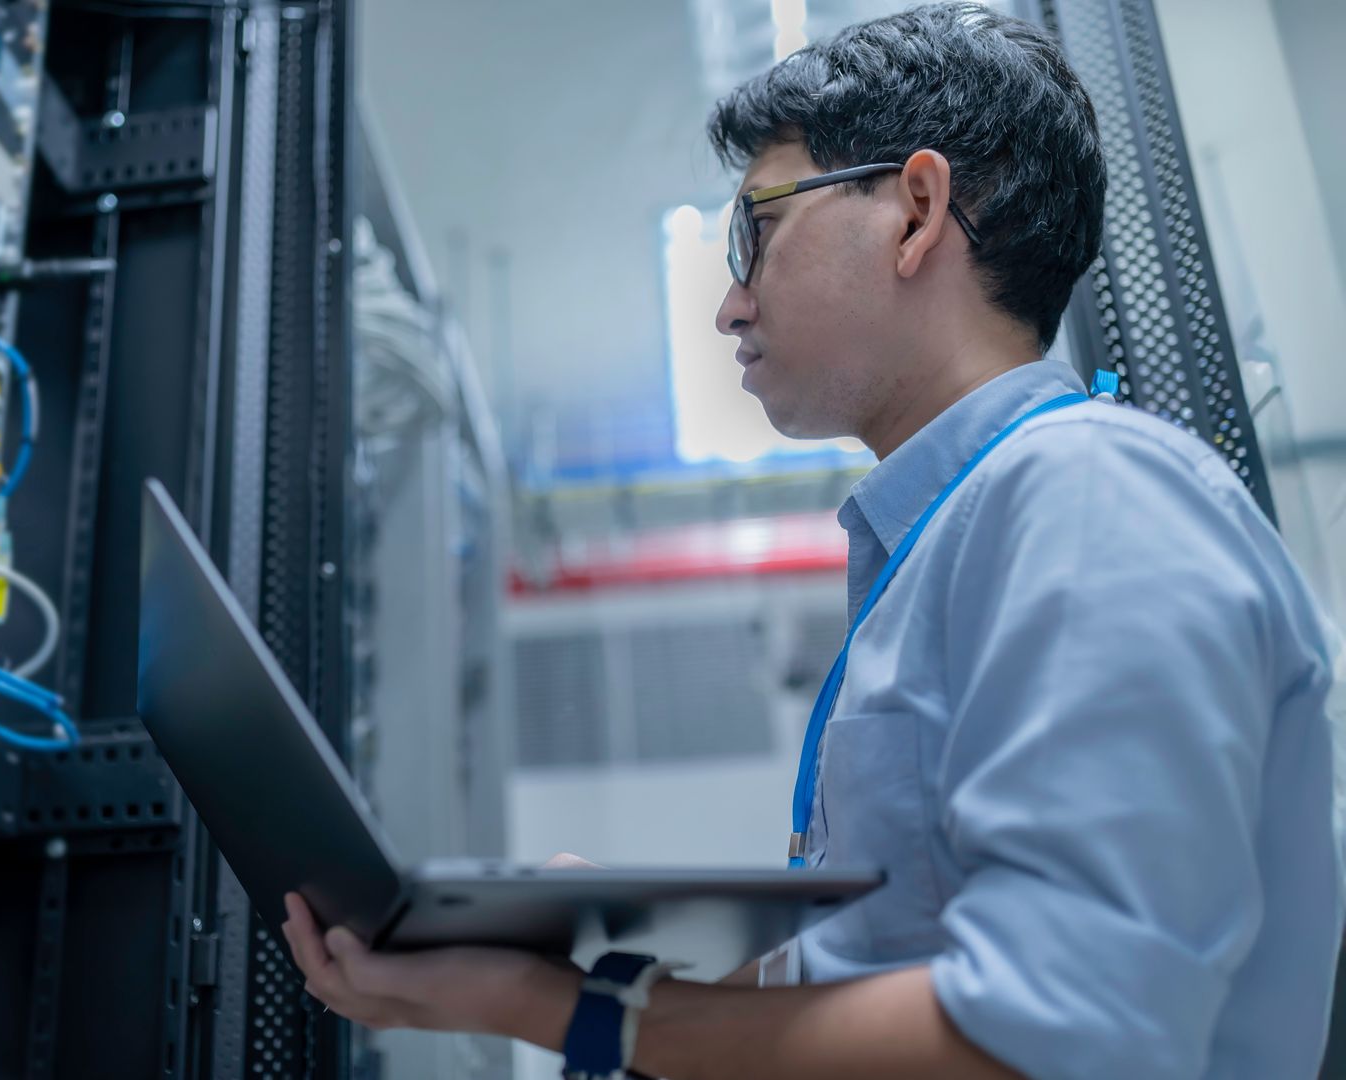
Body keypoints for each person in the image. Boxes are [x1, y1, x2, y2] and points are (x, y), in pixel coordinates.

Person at [278, 4, 1343, 1077]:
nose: (729, 307)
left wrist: (571, 1012)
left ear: (916, 212)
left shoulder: (1085, 497)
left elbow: (1061, 1032)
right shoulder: (950, 543)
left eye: (756, 232)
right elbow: (872, 982)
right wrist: (581, 967)